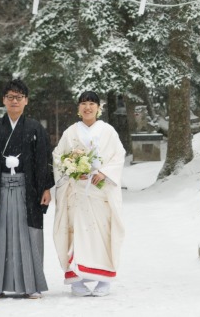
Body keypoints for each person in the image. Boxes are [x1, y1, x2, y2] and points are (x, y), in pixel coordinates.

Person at [0, 78, 54, 300]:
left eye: (19, 97)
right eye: (10, 97)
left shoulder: (35, 129)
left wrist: (45, 188)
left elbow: (44, 159)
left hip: (28, 191)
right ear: (4, 100)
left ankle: (32, 285)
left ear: (26, 101)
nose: (15, 101)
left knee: (30, 234)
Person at [52, 90, 126, 297]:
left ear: (98, 107)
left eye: (92, 103)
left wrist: (104, 172)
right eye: (83, 103)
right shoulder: (71, 132)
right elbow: (58, 156)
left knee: (102, 234)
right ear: (78, 108)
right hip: (77, 193)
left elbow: (119, 156)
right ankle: (78, 279)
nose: (87, 107)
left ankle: (104, 280)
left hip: (100, 194)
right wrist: (72, 170)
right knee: (77, 235)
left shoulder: (108, 131)